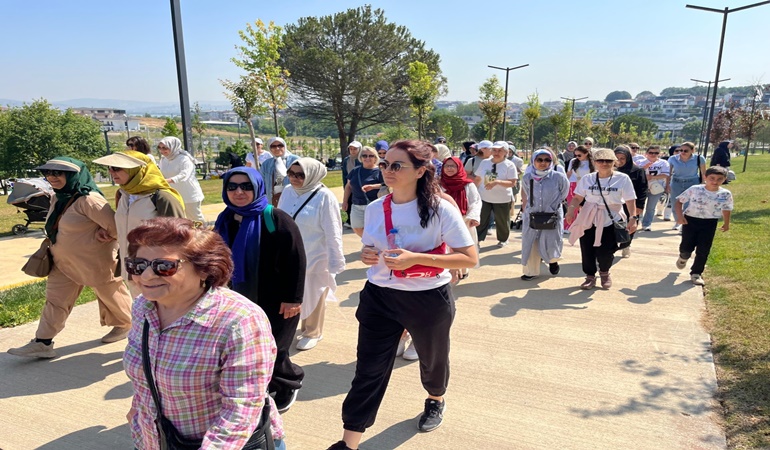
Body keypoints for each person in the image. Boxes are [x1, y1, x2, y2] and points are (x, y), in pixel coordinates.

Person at [326, 140, 477, 450]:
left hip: (428, 298)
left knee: (432, 360)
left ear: (421, 171)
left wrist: (417, 259)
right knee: (368, 369)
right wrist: (367, 254)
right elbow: (371, 247)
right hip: (379, 296)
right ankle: (348, 442)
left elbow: (469, 257)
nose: (387, 171)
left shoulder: (440, 209)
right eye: (384, 164)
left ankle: (435, 399)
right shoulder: (374, 208)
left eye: (396, 165)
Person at [121, 217, 286, 450]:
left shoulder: (239, 320)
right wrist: (140, 413)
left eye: (164, 266)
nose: (146, 276)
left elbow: (241, 409)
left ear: (204, 269)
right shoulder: (143, 307)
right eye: (137, 265)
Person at [8, 157, 133, 358]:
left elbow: (117, 227)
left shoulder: (89, 199)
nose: (51, 177)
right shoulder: (60, 196)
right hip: (63, 264)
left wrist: (106, 233)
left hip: (95, 264)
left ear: (73, 175)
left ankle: (130, 327)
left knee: (114, 298)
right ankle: (43, 342)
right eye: (48, 173)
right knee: (55, 301)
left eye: (58, 173)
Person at [214, 167, 306, 413]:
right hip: (239, 298)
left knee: (275, 347)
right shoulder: (224, 219)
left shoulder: (275, 218)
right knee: (250, 349)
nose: (239, 191)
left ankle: (289, 382)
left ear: (257, 188)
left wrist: (293, 299)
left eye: (246, 186)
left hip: (277, 299)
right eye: (232, 186)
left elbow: (296, 260)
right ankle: (262, 385)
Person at [92, 151, 186, 295]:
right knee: (139, 312)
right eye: (110, 168)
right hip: (132, 267)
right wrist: (110, 233)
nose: (111, 172)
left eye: (117, 168)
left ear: (135, 170)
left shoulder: (162, 197)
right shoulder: (122, 194)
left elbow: (180, 237)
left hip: (156, 271)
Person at [278, 158, 345, 351]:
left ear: (312, 175)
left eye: (300, 175)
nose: (294, 178)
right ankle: (295, 328)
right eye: (291, 174)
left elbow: (333, 230)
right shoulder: (288, 192)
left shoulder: (325, 196)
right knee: (294, 292)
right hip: (290, 253)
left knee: (314, 292)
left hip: (315, 254)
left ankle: (312, 331)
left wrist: (335, 260)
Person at [566, 148, 637, 290]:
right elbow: (578, 197)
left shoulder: (622, 179)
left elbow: (630, 200)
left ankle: (604, 273)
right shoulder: (588, 178)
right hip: (588, 218)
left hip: (611, 218)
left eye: (608, 161)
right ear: (594, 162)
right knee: (587, 249)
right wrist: (570, 210)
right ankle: (590, 276)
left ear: (614, 162)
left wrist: (633, 218)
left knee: (606, 251)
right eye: (600, 160)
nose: (604, 163)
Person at [674, 166, 733, 286]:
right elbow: (679, 201)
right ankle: (683, 257)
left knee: (703, 249)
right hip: (691, 221)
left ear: (724, 179)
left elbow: (727, 209)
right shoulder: (695, 189)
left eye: (719, 179)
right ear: (705, 177)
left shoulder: (725, 194)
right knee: (686, 246)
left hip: (709, 222)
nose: (715, 181)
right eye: (712, 178)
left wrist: (726, 223)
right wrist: (680, 217)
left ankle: (696, 273)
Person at [520, 149, 569, 280]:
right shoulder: (527, 177)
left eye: (547, 160)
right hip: (533, 214)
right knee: (531, 242)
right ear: (533, 161)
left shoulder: (559, 177)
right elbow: (526, 192)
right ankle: (530, 271)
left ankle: (552, 261)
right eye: (539, 159)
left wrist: (552, 205)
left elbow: (564, 193)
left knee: (551, 241)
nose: (543, 163)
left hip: (552, 213)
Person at [439, 156, 481, 281]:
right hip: (444, 221)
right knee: (446, 246)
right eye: (447, 166)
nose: (449, 168)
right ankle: (448, 269)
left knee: (463, 246)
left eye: (453, 166)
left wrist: (473, 216)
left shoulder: (467, 185)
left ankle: (463, 270)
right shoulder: (439, 184)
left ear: (459, 168)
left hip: (464, 220)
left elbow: (476, 202)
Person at [475, 141, 518, 247]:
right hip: (484, 196)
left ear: (506, 152)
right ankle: (478, 240)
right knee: (481, 219)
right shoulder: (485, 162)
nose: (496, 152)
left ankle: (503, 239)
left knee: (502, 220)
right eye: (494, 150)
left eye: (500, 150)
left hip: (502, 198)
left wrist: (497, 182)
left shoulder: (509, 165)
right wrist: (474, 191)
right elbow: (478, 178)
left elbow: (512, 183)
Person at [157, 136, 205, 222]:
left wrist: (168, 180)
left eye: (165, 148)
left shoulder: (184, 159)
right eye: (159, 148)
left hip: (189, 195)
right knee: (179, 219)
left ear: (173, 147)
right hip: (174, 194)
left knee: (195, 218)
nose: (162, 151)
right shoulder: (163, 160)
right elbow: (160, 173)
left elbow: (184, 174)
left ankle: (203, 234)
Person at [613, 146, 647, 258]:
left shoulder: (637, 171)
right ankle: (609, 251)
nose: (619, 161)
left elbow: (642, 189)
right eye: (616, 158)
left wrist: (640, 206)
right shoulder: (609, 170)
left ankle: (626, 245)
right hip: (614, 204)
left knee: (629, 226)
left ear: (628, 158)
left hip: (631, 205)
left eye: (622, 158)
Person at [342, 146, 384, 237]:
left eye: (371, 156)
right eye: (364, 156)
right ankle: (369, 241)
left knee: (374, 228)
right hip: (356, 204)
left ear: (375, 158)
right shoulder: (355, 170)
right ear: (360, 158)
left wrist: (373, 187)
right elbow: (348, 186)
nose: (367, 158)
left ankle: (371, 244)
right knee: (356, 227)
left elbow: (387, 185)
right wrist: (345, 201)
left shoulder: (380, 171)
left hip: (374, 205)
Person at [668, 141, 706, 232]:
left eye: (686, 150)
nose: (683, 152)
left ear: (692, 150)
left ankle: (684, 225)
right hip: (676, 182)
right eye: (681, 150)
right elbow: (668, 173)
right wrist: (667, 184)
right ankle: (678, 221)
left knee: (689, 205)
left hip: (692, 182)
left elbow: (703, 172)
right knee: (675, 203)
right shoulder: (673, 159)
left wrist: (704, 184)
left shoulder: (699, 158)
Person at [260, 137, 300, 207]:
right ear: (269, 148)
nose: (277, 148)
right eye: (273, 146)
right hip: (273, 198)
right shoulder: (266, 164)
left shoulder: (295, 160)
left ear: (285, 146)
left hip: (293, 196)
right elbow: (262, 183)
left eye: (280, 145)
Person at [564, 145, 595, 232]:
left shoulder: (592, 162)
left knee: (586, 206)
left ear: (586, 153)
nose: (577, 157)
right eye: (576, 155)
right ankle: (569, 225)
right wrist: (565, 184)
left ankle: (584, 225)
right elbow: (569, 173)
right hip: (574, 184)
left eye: (579, 155)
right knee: (572, 205)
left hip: (588, 186)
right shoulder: (573, 161)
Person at [640, 145, 670, 231]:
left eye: (656, 153)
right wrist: (644, 170)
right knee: (639, 206)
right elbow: (635, 173)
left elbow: (665, 175)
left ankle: (646, 224)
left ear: (659, 153)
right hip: (642, 188)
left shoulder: (664, 163)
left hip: (656, 188)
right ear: (647, 153)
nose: (653, 154)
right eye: (651, 153)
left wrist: (652, 177)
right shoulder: (640, 162)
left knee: (651, 207)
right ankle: (637, 221)